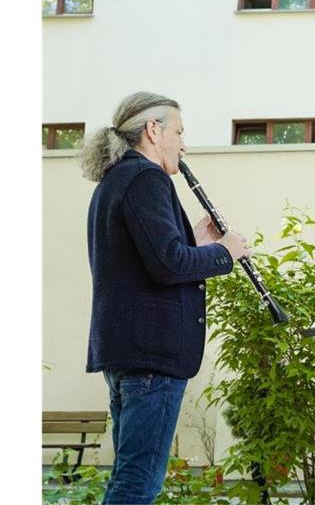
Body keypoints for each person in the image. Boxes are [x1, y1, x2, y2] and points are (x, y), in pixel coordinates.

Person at [80, 91, 253, 504]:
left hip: (128, 352)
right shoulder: (147, 177)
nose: (183, 144)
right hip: (151, 357)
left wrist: (196, 241)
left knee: (128, 476)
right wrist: (224, 252)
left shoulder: (117, 179)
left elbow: (150, 260)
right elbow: (169, 265)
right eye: (179, 132)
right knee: (140, 482)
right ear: (153, 130)